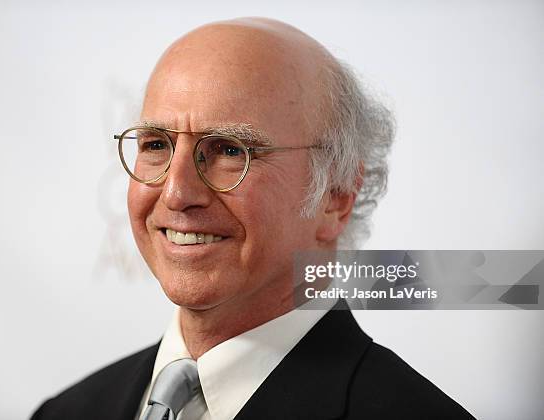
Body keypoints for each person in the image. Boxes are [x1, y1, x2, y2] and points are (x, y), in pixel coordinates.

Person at [32, 17, 474, 420]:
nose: (177, 192)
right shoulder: (66, 413)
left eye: (228, 150)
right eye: (155, 145)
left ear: (336, 195)